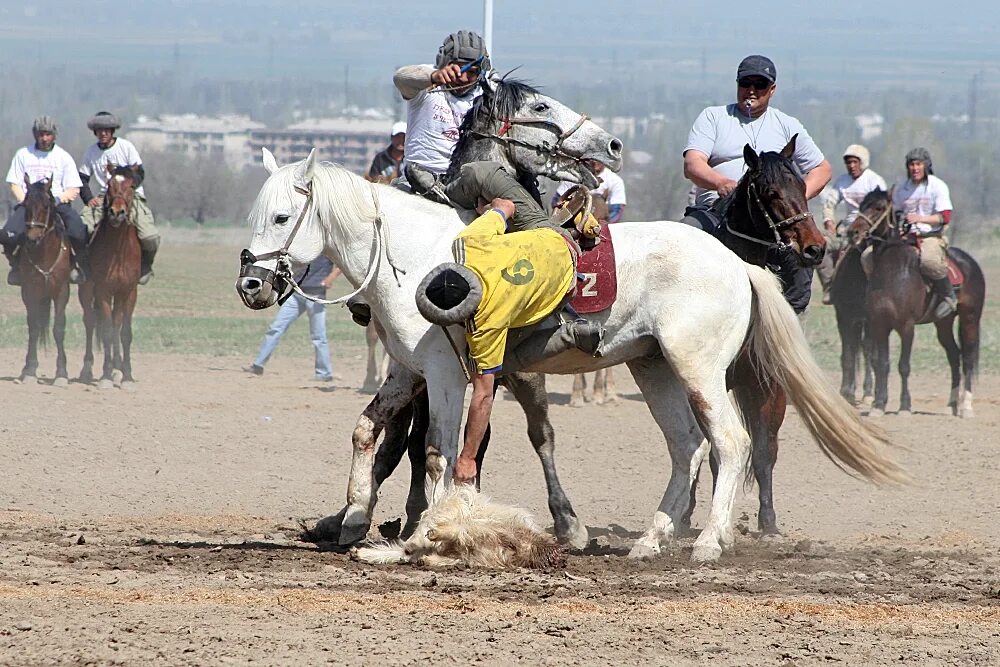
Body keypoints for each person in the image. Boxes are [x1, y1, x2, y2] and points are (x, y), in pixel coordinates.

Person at [415, 198, 603, 485]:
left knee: (503, 366)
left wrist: (467, 458)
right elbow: (506, 206)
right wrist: (488, 209)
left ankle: (569, 334)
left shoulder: (484, 325)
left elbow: (483, 397)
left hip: (565, 281)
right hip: (551, 235)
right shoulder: (467, 242)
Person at [679, 55, 832, 313]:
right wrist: (719, 182)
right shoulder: (714, 117)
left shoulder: (786, 124)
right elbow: (693, 164)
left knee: (803, 258)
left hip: (774, 218)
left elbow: (822, 168)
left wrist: (791, 197)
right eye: (745, 83)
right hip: (715, 211)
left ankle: (791, 325)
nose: (751, 90)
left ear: (772, 89)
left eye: (759, 84)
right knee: (682, 238)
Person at [393, 30, 490, 191]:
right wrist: (434, 77)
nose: (462, 78)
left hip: (462, 185)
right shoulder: (426, 82)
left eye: (471, 72)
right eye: (456, 70)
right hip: (416, 178)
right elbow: (400, 78)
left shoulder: (485, 94)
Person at [1, 116, 89, 285]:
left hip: (56, 204)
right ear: (35, 135)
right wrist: (25, 201)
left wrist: (58, 199)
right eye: (41, 134)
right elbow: (14, 183)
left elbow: (73, 188)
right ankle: (16, 266)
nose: (44, 138)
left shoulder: (63, 157)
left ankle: (75, 266)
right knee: (7, 235)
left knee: (79, 232)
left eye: (48, 134)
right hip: (29, 205)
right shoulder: (23, 154)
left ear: (54, 135)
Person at [78, 111, 160, 284]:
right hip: (103, 198)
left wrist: (128, 191)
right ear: (95, 132)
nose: (103, 133)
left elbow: (140, 172)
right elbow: (82, 179)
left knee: (150, 236)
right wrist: (89, 199)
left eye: (107, 130)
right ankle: (84, 267)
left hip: (131, 196)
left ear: (113, 131)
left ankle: (145, 266)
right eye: (99, 130)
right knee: (82, 231)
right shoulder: (91, 152)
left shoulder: (126, 147)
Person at [245, 256, 342, 381]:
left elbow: (341, 263)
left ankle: (324, 374)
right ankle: (258, 365)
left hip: (316, 295)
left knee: (319, 336)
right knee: (275, 328)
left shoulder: (325, 247)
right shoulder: (304, 247)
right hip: (297, 294)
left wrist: (331, 277)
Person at [816, 144, 887, 303]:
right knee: (821, 247)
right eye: (848, 163)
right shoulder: (842, 181)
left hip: (870, 231)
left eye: (855, 162)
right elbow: (829, 203)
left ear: (863, 162)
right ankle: (830, 287)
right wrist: (829, 222)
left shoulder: (875, 181)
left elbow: (882, 208)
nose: (851, 166)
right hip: (847, 231)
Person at [893, 147, 956, 318]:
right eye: (911, 164)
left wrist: (920, 219)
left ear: (926, 165)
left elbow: (945, 217)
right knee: (870, 256)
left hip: (931, 236)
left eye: (918, 164)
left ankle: (948, 296)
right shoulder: (901, 188)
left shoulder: (937, 186)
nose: (915, 168)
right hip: (905, 237)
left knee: (929, 262)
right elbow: (896, 212)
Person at [552, 159, 627, 223]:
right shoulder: (574, 176)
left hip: (601, 226)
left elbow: (616, 211)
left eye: (598, 159)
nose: (594, 161)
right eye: (592, 158)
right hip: (571, 224)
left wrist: (603, 228)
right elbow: (557, 201)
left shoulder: (615, 181)